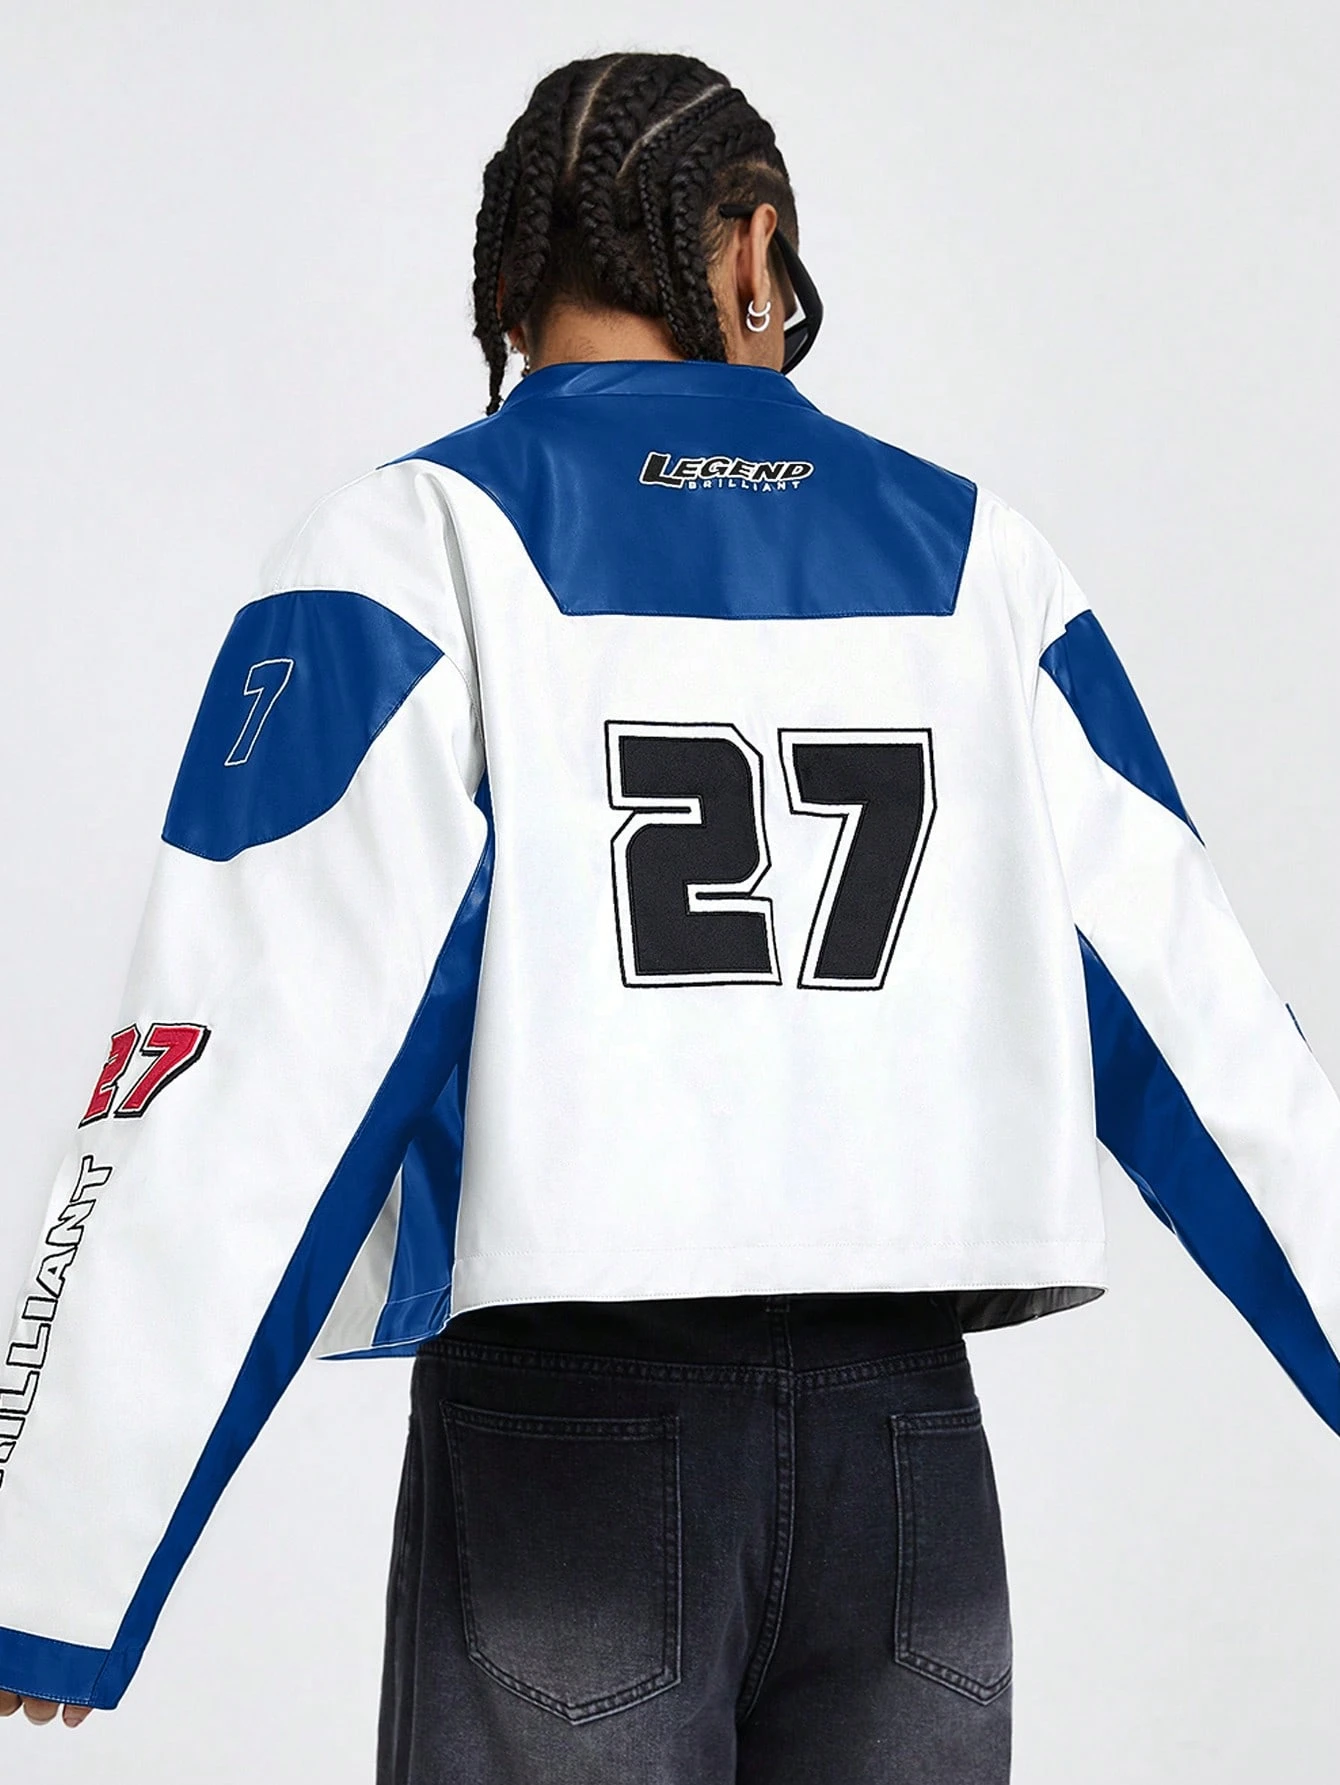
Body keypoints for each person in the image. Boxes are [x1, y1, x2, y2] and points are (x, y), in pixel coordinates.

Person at [2, 47, 1338, 1785]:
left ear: (508, 283)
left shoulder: (415, 550)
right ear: (754, 250)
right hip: (907, 1457)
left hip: (575, 1451)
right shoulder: (979, 560)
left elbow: (234, 1064)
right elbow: (1216, 1043)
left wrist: (58, 1556)